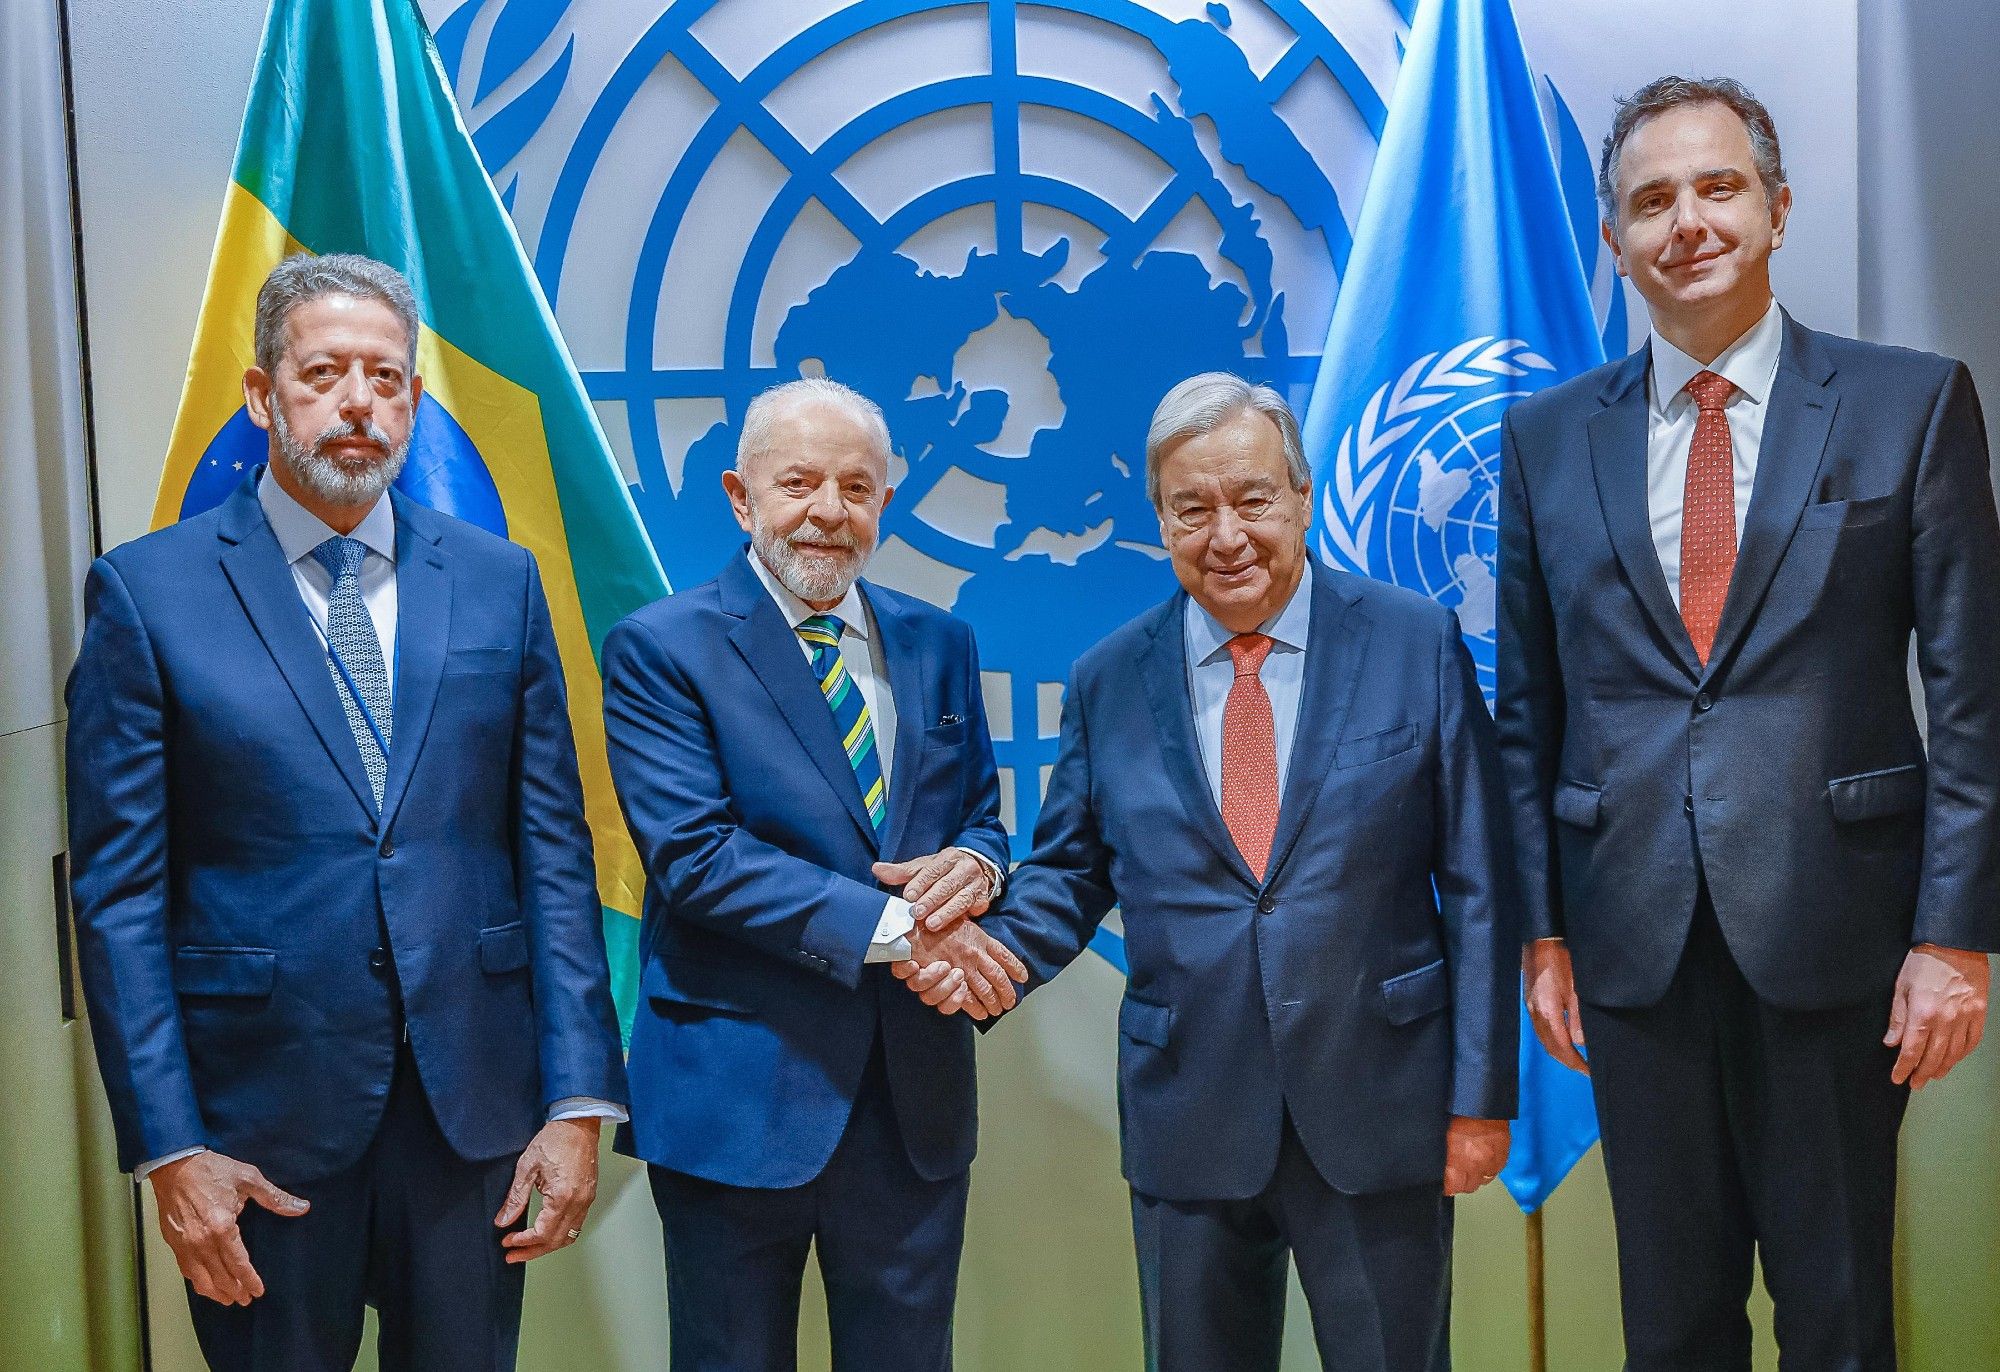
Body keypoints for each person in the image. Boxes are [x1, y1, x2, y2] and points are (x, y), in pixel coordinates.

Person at [1497, 76, 1998, 1370]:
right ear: (1612, 241)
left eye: (1717, 187)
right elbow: (1526, 707)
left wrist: (1956, 936)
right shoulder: (1545, 441)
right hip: (1631, 942)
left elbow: (1972, 695)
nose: (1687, 220)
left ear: (1776, 209)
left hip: (1839, 932)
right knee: (1671, 1325)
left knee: (1838, 1319)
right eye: (1650, 199)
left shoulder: (1912, 403)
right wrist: (1541, 925)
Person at [66, 253, 628, 1371]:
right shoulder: (146, 592)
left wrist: (576, 1101)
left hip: (470, 1119)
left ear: (414, 401)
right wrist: (171, 1149)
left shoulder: (499, 580)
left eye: (386, 376)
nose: (359, 402)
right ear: (262, 394)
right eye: (324, 373)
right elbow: (119, 898)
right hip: (258, 1130)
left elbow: (553, 855)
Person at [903, 373, 1516, 1371]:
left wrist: (1479, 1094)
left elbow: (1480, 879)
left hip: (1377, 1104)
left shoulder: (1414, 640)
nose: (1224, 533)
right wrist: (977, 955)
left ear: (1302, 496)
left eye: (1251, 499)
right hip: (1189, 1113)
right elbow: (1066, 874)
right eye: (1192, 509)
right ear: (1159, 520)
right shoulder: (1109, 677)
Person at [601, 377, 1023, 1372]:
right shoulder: (660, 648)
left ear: (884, 500)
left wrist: (974, 862)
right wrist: (904, 931)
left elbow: (981, 818)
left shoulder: (940, 642)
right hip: (735, 1100)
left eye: (856, 487)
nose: (828, 511)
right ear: (739, 497)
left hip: (912, 1102)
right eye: (796, 483)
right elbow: (696, 857)